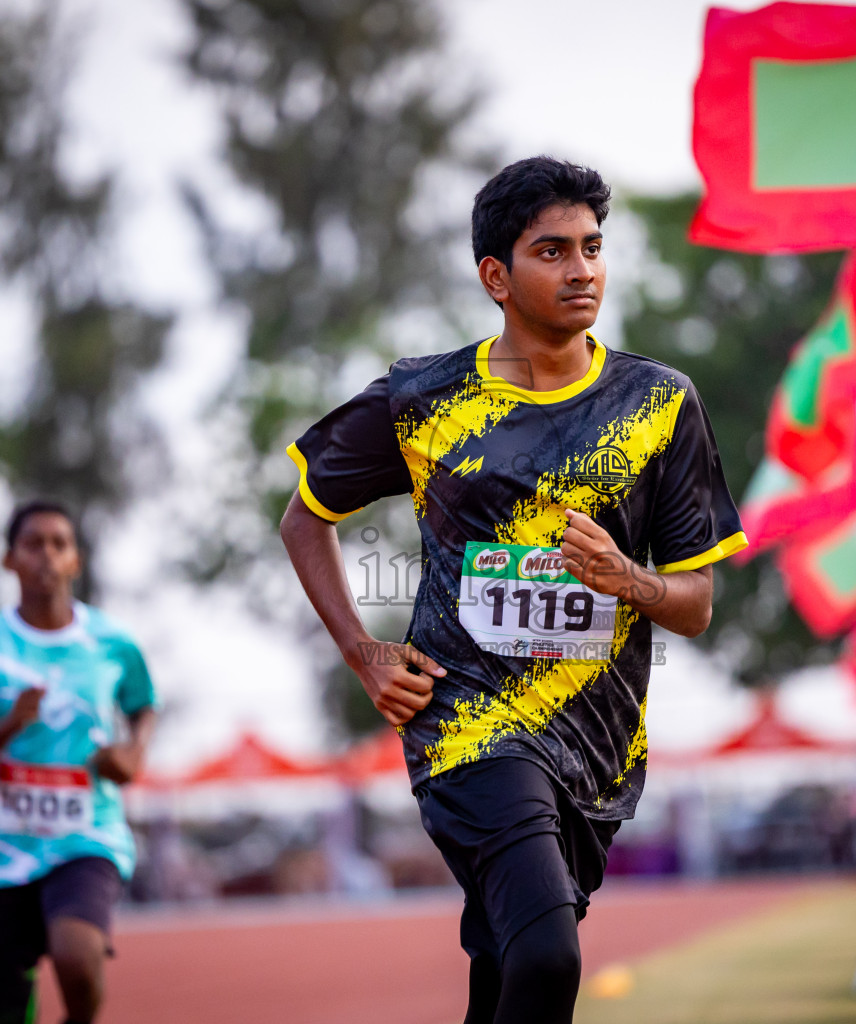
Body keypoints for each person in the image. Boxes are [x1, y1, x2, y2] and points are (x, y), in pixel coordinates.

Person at [281, 156, 743, 1024]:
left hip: (598, 741)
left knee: (506, 967)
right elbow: (305, 517)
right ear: (496, 276)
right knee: (546, 955)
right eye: (552, 251)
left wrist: (626, 577)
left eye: (592, 247)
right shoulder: (425, 398)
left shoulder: (661, 404)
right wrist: (362, 650)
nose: (582, 270)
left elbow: (696, 605)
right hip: (465, 722)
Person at [0, 500, 157, 1024]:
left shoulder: (111, 643)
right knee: (10, 1009)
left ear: (76, 559)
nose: (47, 555)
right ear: (9, 560)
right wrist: (10, 724)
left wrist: (133, 751)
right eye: (33, 544)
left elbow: (144, 703)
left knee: (78, 957)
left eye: (60, 544)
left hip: (86, 836)